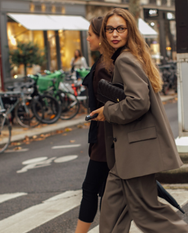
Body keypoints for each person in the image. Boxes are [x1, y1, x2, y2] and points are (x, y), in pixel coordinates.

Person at [89, 8, 188, 233]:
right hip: (127, 154)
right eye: (109, 29)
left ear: (129, 31)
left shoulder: (125, 60)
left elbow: (138, 103)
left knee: (147, 212)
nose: (114, 34)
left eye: (120, 28)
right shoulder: (129, 56)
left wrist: (108, 112)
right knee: (112, 213)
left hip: (137, 151)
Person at [74, 16, 112, 233]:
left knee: (90, 188)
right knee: (106, 191)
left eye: (90, 34)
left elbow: (110, 106)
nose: (87, 39)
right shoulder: (103, 62)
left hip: (105, 141)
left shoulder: (104, 66)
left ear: (100, 37)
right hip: (104, 139)